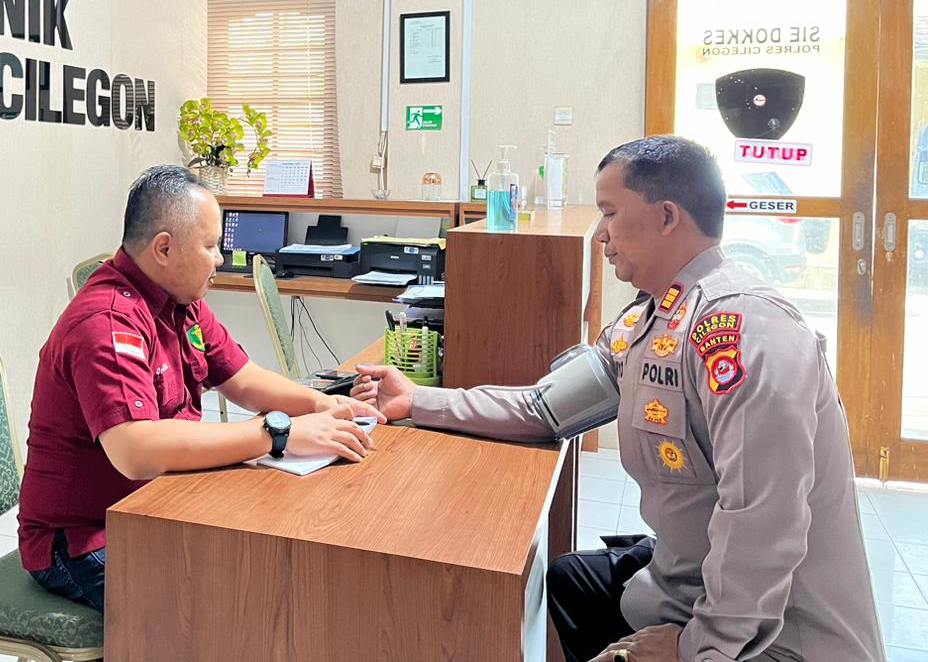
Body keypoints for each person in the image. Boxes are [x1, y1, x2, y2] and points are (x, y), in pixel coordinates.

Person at [352, 136, 884, 662]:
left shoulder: (745, 328)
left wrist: (692, 647)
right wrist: (418, 400)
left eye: (610, 212)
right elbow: (544, 408)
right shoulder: (650, 318)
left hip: (773, 633)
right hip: (691, 582)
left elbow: (762, 520)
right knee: (571, 580)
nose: (601, 234)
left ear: (667, 216)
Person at [18, 164, 383, 613]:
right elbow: (137, 450)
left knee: (272, 567)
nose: (220, 259)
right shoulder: (107, 322)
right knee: (227, 605)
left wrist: (324, 405)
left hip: (159, 502)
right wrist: (279, 434)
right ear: (164, 248)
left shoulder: (179, 301)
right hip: (86, 539)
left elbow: (244, 380)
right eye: (210, 246)